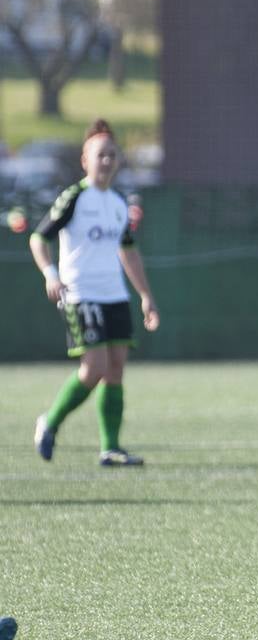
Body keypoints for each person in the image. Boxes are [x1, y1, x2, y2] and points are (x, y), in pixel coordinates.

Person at [30, 119, 160, 466]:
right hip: (81, 293)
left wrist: (145, 295)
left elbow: (128, 252)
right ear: (85, 160)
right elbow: (38, 238)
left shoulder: (118, 204)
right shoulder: (74, 198)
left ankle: (110, 448)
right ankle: (50, 423)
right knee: (95, 368)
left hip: (114, 295)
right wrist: (50, 274)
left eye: (112, 155)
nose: (107, 161)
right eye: (100, 155)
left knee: (116, 369)